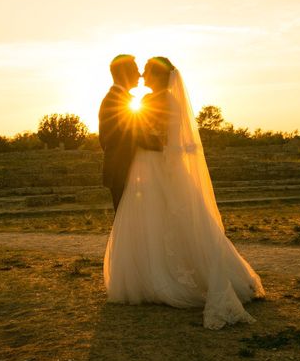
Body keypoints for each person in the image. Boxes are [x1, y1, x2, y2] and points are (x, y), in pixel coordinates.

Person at [103, 57, 265, 330]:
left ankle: (157, 279)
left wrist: (146, 139)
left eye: (147, 71)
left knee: (157, 220)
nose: (142, 75)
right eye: (139, 71)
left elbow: (158, 138)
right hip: (147, 169)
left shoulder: (160, 101)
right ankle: (154, 277)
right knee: (154, 222)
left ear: (159, 76)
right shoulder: (160, 100)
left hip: (151, 166)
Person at [98, 54, 162, 212]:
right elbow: (132, 134)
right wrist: (163, 145)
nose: (140, 75)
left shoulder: (120, 98)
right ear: (124, 72)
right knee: (125, 221)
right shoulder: (116, 100)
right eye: (135, 69)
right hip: (122, 170)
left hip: (122, 169)